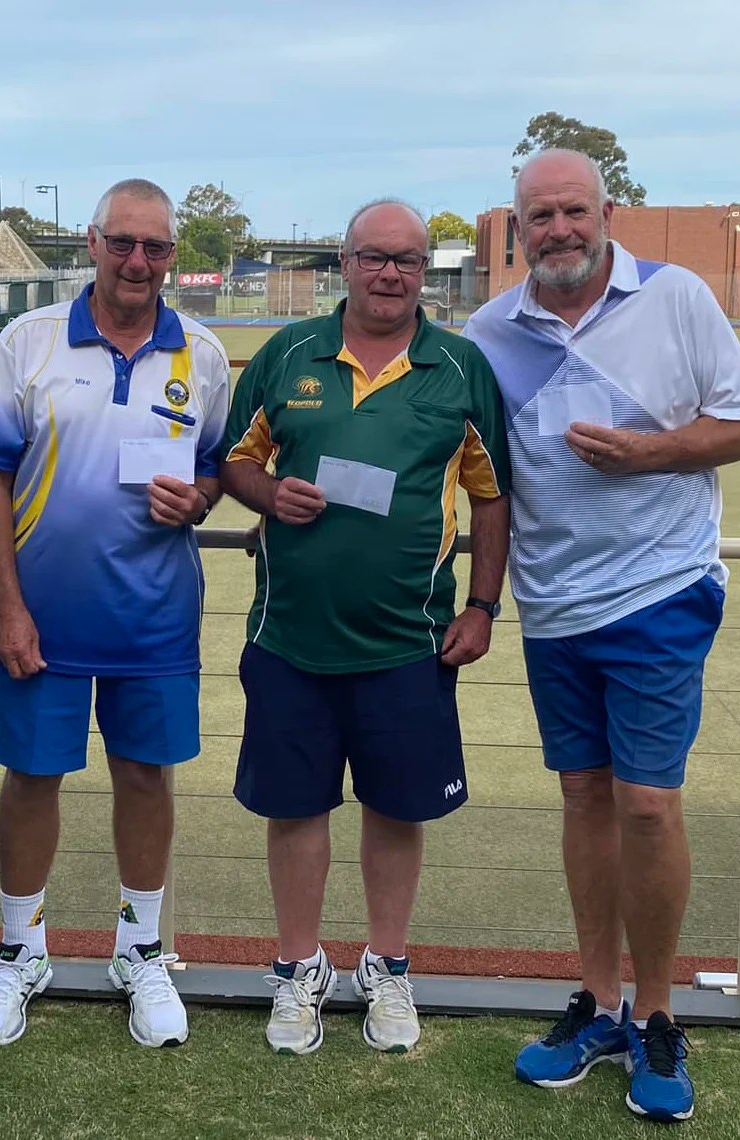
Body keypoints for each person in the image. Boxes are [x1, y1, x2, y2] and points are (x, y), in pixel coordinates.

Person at [463, 149, 740, 1123]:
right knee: (584, 800)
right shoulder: (486, 332)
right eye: (536, 216)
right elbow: (481, 477)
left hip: (658, 591)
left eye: (571, 211)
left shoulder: (672, 297)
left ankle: (656, 1013)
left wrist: (651, 453)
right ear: (515, 232)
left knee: (646, 806)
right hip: (551, 607)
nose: (556, 229)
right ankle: (597, 1007)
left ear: (605, 214)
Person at [219, 200, 511, 1055]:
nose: (390, 274)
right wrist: (271, 494)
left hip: (410, 642)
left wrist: (483, 608)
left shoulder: (459, 366)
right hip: (288, 637)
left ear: (427, 272)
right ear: (342, 263)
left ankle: (386, 966)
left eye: (408, 261)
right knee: (296, 809)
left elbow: (491, 497)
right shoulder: (286, 354)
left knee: (394, 809)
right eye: (374, 258)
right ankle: (298, 969)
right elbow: (234, 460)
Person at [0, 178, 229, 1049]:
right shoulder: (28, 341)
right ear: (92, 242)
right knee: (31, 778)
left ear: (173, 257)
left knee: (145, 778)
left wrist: (200, 499)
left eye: (154, 247)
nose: (137, 261)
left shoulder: (207, 356)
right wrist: (8, 605)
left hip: (155, 617)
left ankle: (139, 951)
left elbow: (219, 468)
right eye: (122, 243)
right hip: (42, 615)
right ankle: (19, 951)